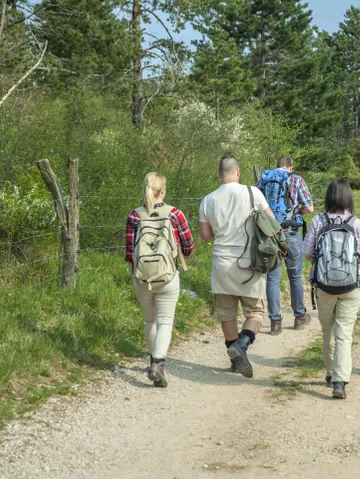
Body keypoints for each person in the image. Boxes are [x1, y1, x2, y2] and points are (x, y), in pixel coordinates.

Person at [199, 154, 276, 378]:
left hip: (221, 263)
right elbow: (271, 224)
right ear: (238, 172)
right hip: (249, 263)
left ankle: (234, 360)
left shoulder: (208, 199)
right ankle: (242, 345)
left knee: (226, 313)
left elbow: (205, 235)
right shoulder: (253, 193)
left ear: (218, 174)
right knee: (255, 312)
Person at [302, 178, 360, 400]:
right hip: (351, 286)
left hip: (324, 286)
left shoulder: (317, 221)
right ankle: (340, 382)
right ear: (348, 197)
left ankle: (331, 373)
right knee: (344, 333)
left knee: (327, 331)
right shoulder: (357, 223)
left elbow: (308, 252)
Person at [125, 172, 194, 388]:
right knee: (165, 321)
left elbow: (129, 252)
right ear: (163, 191)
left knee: (150, 321)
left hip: (141, 277)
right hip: (167, 276)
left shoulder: (134, 216)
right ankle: (157, 363)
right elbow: (188, 246)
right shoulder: (175, 214)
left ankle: (153, 360)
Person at [257, 156, 314, 334]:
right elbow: (310, 208)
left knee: (272, 279)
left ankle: (275, 322)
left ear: (277, 167)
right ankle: (299, 317)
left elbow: (257, 207)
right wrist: (297, 210)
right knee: (295, 277)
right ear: (290, 167)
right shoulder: (296, 179)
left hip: (271, 234)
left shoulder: (264, 179)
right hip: (291, 233)